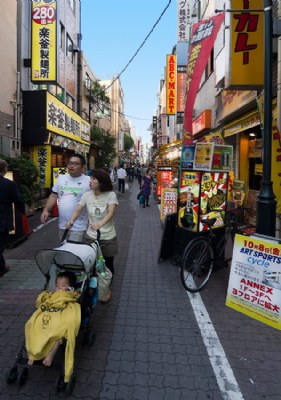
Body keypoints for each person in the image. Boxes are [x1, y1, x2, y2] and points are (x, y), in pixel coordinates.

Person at [25, 271, 80, 382]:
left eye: (63, 285)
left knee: (59, 331)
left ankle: (50, 355)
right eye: (58, 285)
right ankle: (32, 353)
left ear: (70, 287)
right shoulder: (53, 293)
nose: (59, 288)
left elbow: (74, 298)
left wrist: (71, 292)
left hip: (60, 315)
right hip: (49, 312)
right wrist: (47, 296)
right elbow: (47, 300)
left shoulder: (71, 293)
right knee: (34, 324)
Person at [66, 169, 118, 276]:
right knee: (92, 263)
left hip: (108, 237)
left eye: (93, 179)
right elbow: (78, 209)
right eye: (90, 178)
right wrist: (71, 220)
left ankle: (106, 287)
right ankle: (95, 286)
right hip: (91, 237)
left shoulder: (110, 195)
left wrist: (99, 224)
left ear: (101, 182)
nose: (90, 181)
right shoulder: (87, 195)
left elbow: (110, 213)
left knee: (108, 264)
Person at [40, 154, 90, 242]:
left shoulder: (89, 181)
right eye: (70, 163)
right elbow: (53, 195)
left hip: (79, 226)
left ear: (82, 167)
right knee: (64, 250)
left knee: (73, 252)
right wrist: (46, 210)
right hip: (62, 225)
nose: (71, 166)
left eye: (75, 163)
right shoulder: (61, 178)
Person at [0, 159, 25, 277]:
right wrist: (23, 211)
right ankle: (1, 268)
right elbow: (18, 200)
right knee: (0, 245)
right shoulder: (9, 184)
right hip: (2, 220)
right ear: (4, 170)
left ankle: (2, 267)